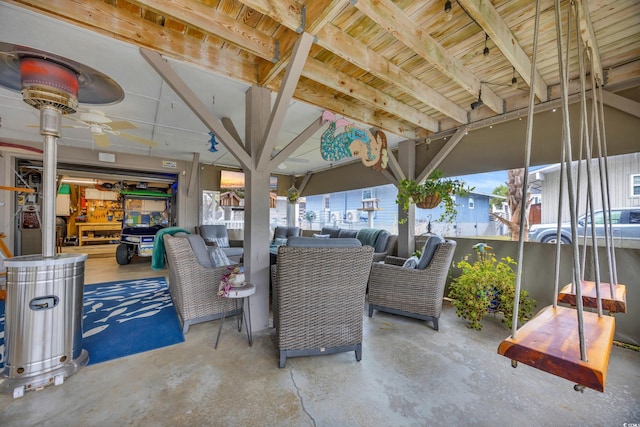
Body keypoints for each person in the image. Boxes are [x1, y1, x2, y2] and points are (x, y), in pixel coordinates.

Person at [320, 111, 387, 171]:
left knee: (327, 155)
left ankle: (333, 124)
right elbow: (363, 132)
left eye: (380, 139)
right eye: (379, 138)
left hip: (348, 151)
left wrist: (362, 152)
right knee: (326, 149)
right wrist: (353, 127)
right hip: (349, 139)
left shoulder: (376, 157)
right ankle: (333, 125)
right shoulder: (371, 138)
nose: (378, 139)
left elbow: (366, 163)